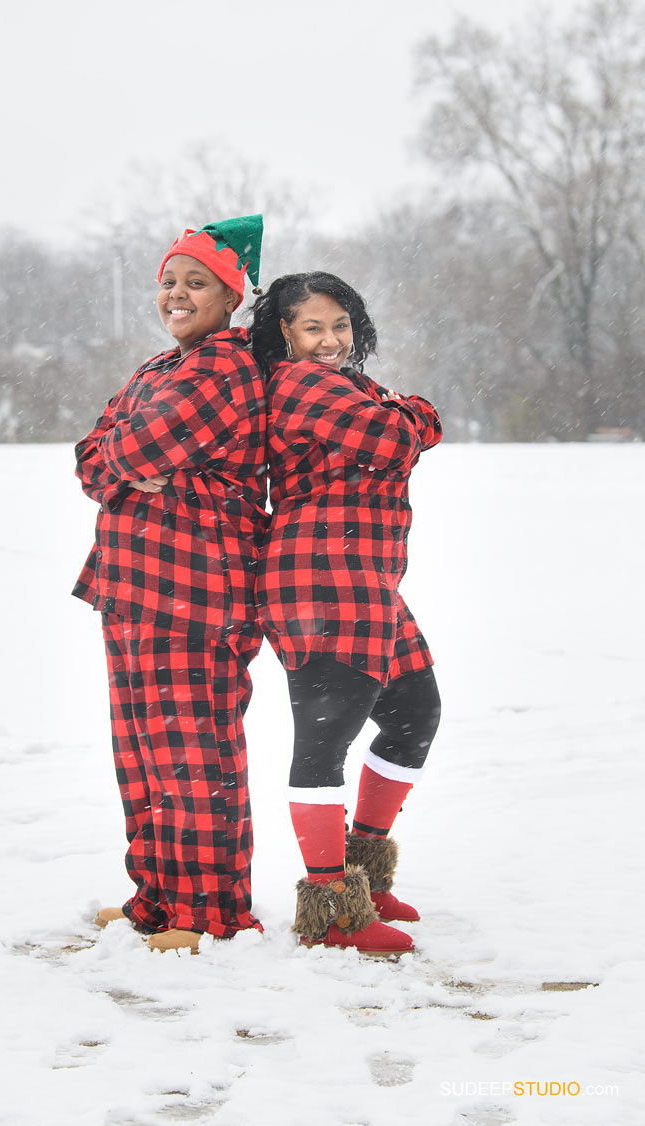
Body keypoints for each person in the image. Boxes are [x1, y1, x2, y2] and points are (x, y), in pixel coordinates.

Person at [73, 215, 267, 954]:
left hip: (197, 591)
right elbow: (94, 458)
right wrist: (126, 465)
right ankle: (156, 899)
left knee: (195, 755)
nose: (177, 295)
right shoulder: (158, 371)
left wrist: (131, 456)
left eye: (196, 283)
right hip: (130, 587)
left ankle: (209, 913)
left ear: (231, 297)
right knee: (142, 755)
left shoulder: (226, 367)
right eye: (169, 282)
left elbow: (139, 443)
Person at [247, 272, 442, 958]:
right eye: (311, 328)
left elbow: (404, 428)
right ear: (283, 336)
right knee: (326, 737)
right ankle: (331, 908)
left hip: (367, 577)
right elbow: (397, 440)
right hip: (319, 575)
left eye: (340, 325)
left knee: (415, 709)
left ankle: (363, 875)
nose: (330, 341)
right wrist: (411, 413)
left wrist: (404, 414)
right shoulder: (301, 385)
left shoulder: (349, 386)